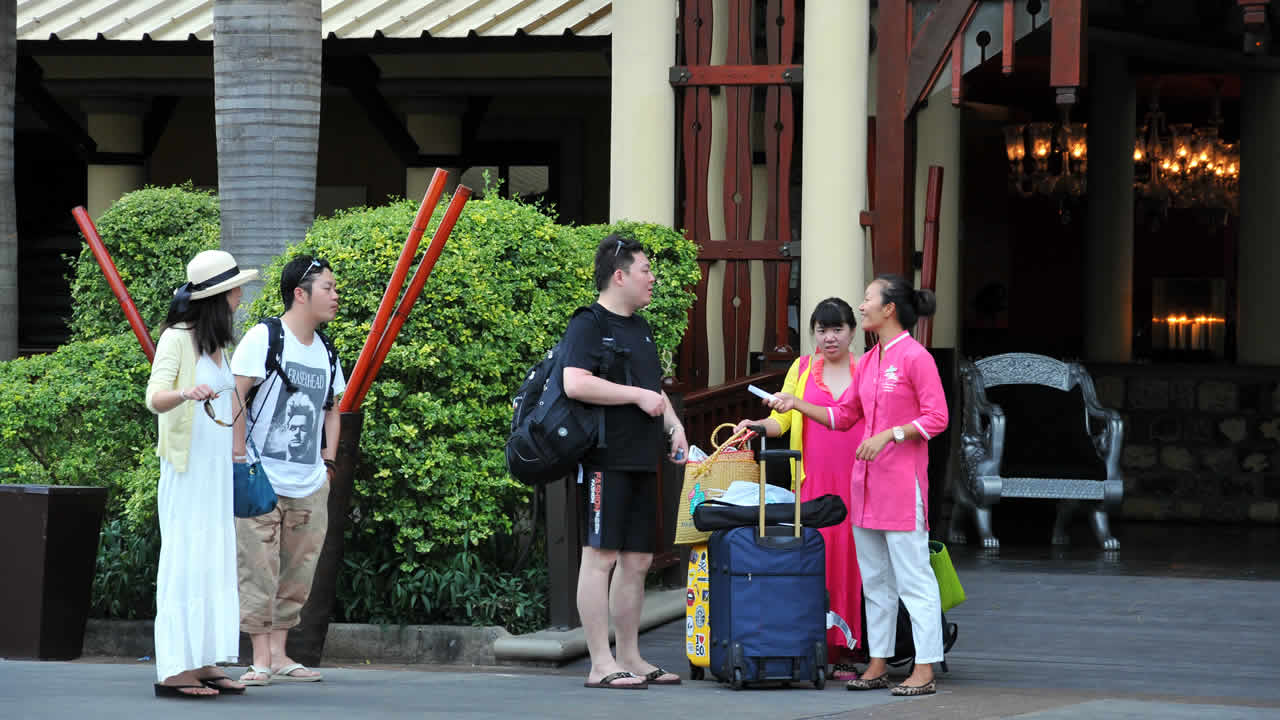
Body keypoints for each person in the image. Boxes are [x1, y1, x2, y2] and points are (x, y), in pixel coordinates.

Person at [764, 274, 948, 697]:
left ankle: (923, 668)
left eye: (868, 300)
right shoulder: (868, 362)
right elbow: (842, 416)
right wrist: (796, 404)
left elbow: (937, 418)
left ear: (889, 310)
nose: (861, 306)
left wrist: (891, 434)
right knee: (876, 580)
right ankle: (878, 662)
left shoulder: (916, 358)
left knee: (913, 579)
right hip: (863, 488)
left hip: (902, 488)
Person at [562, 234, 689, 689]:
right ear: (619, 276)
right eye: (645, 270)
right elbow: (575, 382)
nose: (652, 278)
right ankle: (600, 663)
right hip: (603, 457)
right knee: (600, 557)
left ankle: (630, 655)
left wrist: (674, 426)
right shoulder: (588, 323)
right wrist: (637, 397)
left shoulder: (641, 327)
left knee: (637, 560)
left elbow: (655, 389)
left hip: (642, 457)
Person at [145, 250, 258, 698]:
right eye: (234, 289)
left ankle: (204, 659)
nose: (240, 295)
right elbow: (154, 397)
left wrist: (237, 452)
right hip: (187, 470)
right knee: (186, 561)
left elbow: (230, 400)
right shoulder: (176, 338)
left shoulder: (216, 345)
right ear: (218, 296)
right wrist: (184, 393)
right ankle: (175, 669)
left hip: (212, 473)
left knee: (213, 560)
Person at [734, 298, 865, 678]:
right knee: (816, 561)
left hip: (860, 481)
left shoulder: (867, 367)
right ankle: (812, 644)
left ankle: (851, 651)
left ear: (853, 332)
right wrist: (759, 425)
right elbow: (783, 420)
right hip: (815, 482)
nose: (829, 337)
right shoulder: (802, 367)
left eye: (837, 329)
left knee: (855, 564)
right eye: (821, 330)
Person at [232, 256, 346, 686]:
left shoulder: (327, 349)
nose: (335, 296)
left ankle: (280, 655)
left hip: (309, 481)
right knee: (258, 567)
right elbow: (236, 394)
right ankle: (259, 658)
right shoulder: (266, 336)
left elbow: (334, 408)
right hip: (262, 477)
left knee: (298, 571)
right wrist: (241, 458)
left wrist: (329, 463)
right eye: (328, 288)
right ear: (300, 293)